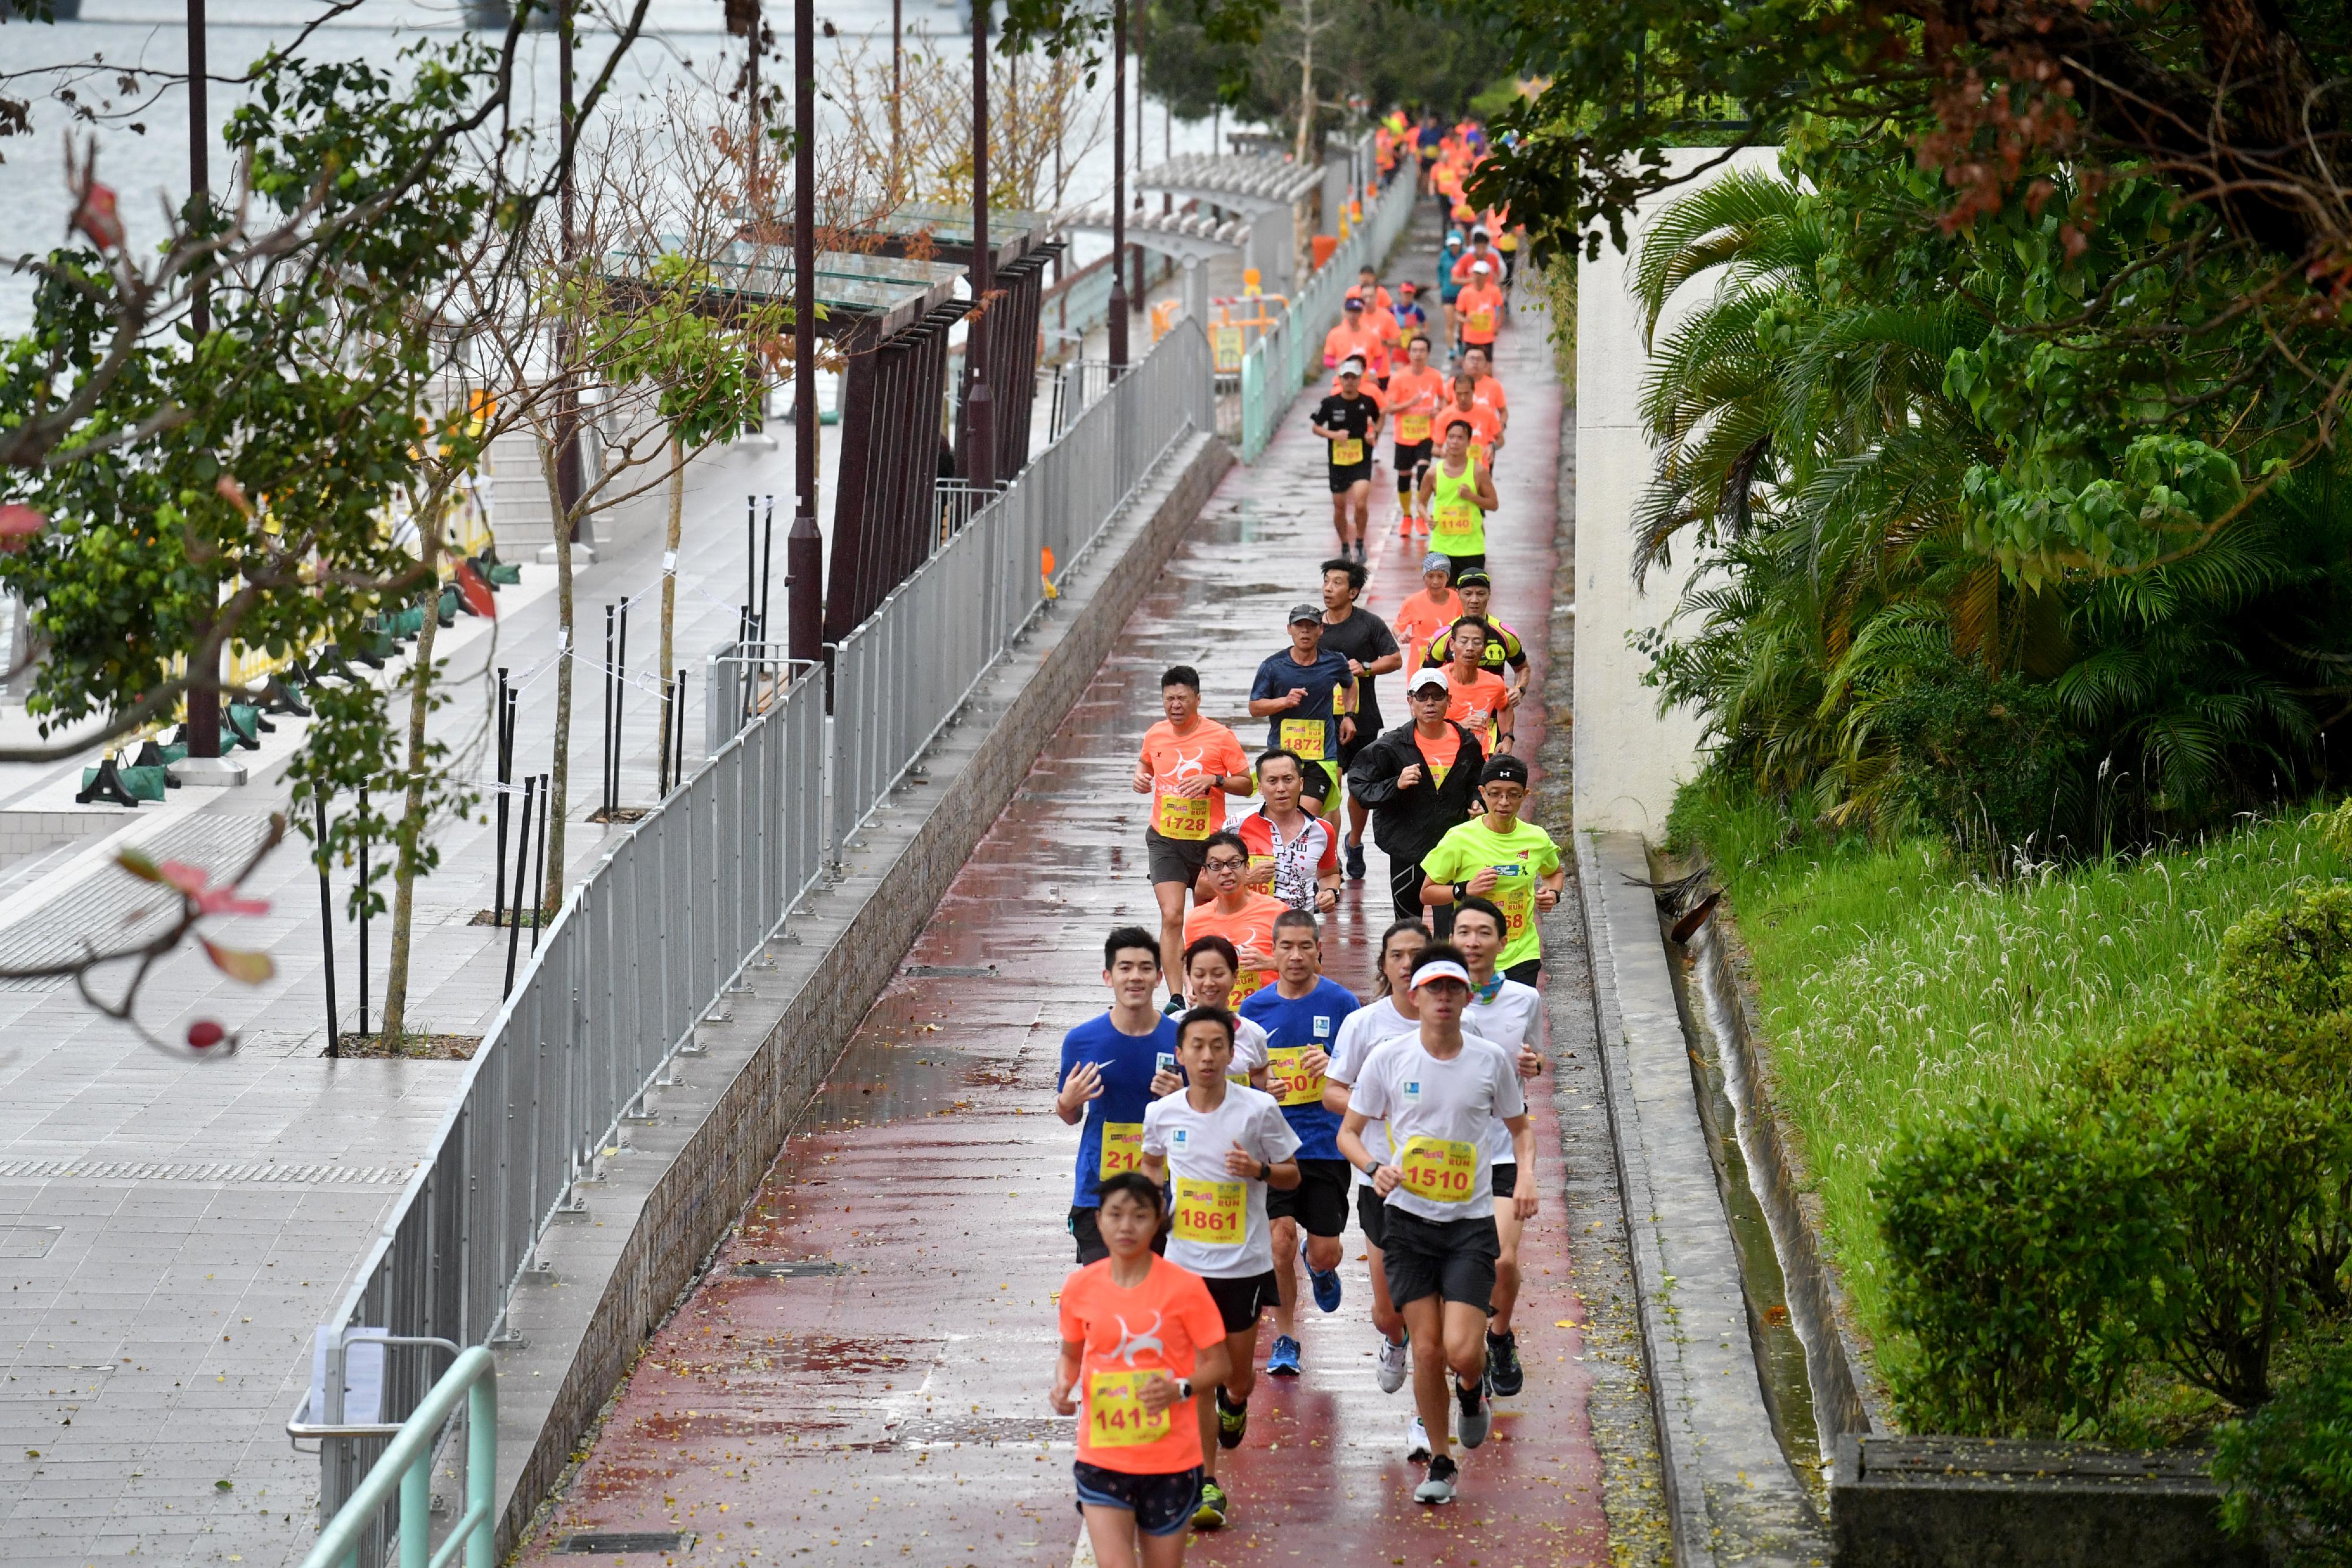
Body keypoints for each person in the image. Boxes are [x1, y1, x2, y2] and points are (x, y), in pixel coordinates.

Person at [1336, 947, 1535, 1506]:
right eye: (1434, 989)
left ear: (1466, 998)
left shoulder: (1490, 1059)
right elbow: (1348, 1132)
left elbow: (1521, 1131)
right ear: (1414, 996)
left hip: (1470, 1225)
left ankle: (1472, 1391)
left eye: (1454, 989)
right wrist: (1374, 1168)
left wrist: (1525, 1179)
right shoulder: (1388, 1059)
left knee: (1461, 1352)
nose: (1443, 998)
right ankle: (1443, 1460)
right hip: (1409, 1222)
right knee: (1425, 1349)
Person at [1139, 1007, 1302, 1531]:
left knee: (1235, 1376)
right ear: (1180, 1053)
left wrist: (1256, 1169)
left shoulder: (1257, 1110)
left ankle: (1239, 1402)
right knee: (1197, 1379)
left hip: (1245, 1266)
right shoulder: (1162, 1113)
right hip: (1186, 1267)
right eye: (1197, 1046)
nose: (1207, 1056)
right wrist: (1154, 1208)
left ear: (1232, 1054)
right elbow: (1150, 1165)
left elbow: (1292, 1175)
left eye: (1217, 1046)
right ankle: (1206, 1479)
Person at [1051, 1171, 1234, 1565]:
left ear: (1158, 1220)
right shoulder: (1080, 1287)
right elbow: (1070, 1354)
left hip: (1171, 1461)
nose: (1126, 1226)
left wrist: (1181, 1388)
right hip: (1103, 1456)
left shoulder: (1185, 1288)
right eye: (1115, 1214)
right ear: (1098, 1219)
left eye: (1139, 1215)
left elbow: (1221, 1364)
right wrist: (1062, 1385)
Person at [1238, 910, 1361, 1378]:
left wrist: (1332, 1065)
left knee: (1323, 1248)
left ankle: (1321, 1265)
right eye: (1285, 946)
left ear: (1318, 952)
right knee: (1280, 1241)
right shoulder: (1254, 1011)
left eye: (1304, 946)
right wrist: (1260, 1090)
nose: (1294, 955)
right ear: (1273, 951)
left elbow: (1364, 1073)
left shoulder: (1343, 1004)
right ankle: (1286, 1335)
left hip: (1325, 1143)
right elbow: (1241, 1082)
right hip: (1274, 1146)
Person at [1320, 921, 1431, 1417]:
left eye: (1417, 955)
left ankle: (1426, 1419)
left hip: (1442, 1184)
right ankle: (1395, 1340)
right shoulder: (1365, 1025)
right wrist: (1376, 1107)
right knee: (1388, 1311)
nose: (1407, 963)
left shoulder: (1458, 1023)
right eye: (1398, 956)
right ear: (1384, 966)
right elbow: (1332, 1092)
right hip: (1379, 1177)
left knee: (1435, 1309)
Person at [1446, 895, 1545, 1398]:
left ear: (1502, 942)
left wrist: (1535, 1065)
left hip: (1505, 1150)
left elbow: (1534, 1057)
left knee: (1503, 1261)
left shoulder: (1524, 999)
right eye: (1464, 932)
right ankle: (1463, 1352)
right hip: (1449, 1159)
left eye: (1484, 932)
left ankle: (1500, 1336)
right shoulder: (1438, 998)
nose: (1473, 942)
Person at [1056, 928, 1185, 1263]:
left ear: (1159, 978)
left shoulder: (1182, 1039)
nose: (1135, 977)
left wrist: (1183, 1096)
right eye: (1125, 968)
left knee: (1156, 1301)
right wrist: (1067, 1102)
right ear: (1108, 976)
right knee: (1104, 1297)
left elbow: (1204, 1112)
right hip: (1098, 1190)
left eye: (1145, 968)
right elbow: (1070, 1115)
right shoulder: (1081, 1041)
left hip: (1164, 1191)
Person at [1134, 665, 1255, 991]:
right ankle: (1176, 995)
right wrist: (1140, 777)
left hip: (1208, 846)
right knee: (1172, 915)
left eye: (1182, 698)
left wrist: (1214, 780)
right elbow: (1146, 762)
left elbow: (1248, 784)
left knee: (1206, 920)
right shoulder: (1155, 734)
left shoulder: (1220, 737)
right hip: (1165, 840)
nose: (1175, 705)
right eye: (1169, 699)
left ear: (1197, 699)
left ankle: (1206, 986)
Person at [1347, 667, 1485, 921]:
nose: (1430, 703)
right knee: (1409, 930)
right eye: (1422, 697)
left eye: (1437, 696)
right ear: (1410, 701)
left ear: (1449, 701)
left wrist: (1477, 803)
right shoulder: (1390, 746)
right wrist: (1395, 784)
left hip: (1450, 853)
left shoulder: (1467, 744)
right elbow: (1360, 787)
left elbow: (1476, 783)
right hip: (1406, 851)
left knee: (1450, 933)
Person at [1419, 755, 1565, 983]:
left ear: (1525, 795)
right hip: (1471, 955)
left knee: (1516, 1019)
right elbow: (1427, 893)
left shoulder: (1536, 838)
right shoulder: (1459, 839)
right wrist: (1465, 889)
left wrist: (1553, 894)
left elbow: (1554, 873)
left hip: (1522, 954)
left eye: (1513, 794)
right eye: (1495, 793)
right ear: (1483, 793)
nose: (1504, 802)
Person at [1315, 556, 1403, 880]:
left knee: (1358, 788)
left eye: (1337, 583)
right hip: (1324, 721)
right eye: (1327, 581)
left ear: (1352, 592)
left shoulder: (1368, 624)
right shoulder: (1314, 627)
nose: (1328, 588)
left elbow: (1394, 659)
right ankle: (1332, 855)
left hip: (1364, 718)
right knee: (1330, 787)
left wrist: (1365, 667)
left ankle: (1354, 842)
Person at [1247, 603, 1355, 813]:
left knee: (1307, 815)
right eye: (1299, 626)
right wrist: (1284, 702)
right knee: (1285, 815)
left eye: (1311, 626)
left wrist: (1349, 716)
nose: (1305, 631)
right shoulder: (1273, 666)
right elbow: (1254, 707)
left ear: (1321, 630)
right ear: (1289, 629)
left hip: (1320, 757)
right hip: (1282, 757)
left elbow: (1349, 685)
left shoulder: (1335, 662)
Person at [1234, 749, 1341, 914]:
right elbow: (1205, 886)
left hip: (1300, 930)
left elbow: (1329, 875)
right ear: (1260, 787)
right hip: (1252, 927)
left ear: (1302, 784)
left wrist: (1330, 893)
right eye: (1272, 781)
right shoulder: (1236, 826)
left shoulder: (1322, 830)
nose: (1281, 788)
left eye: (1288, 779)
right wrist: (1245, 879)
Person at [1185, 831, 1286, 1003]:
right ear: (1205, 873)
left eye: (1234, 863)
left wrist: (1271, 963)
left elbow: (1308, 968)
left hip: (1268, 1010)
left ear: (1247, 868)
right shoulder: (1196, 919)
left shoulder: (1277, 911)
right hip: (1218, 1016)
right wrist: (1190, 989)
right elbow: (1189, 966)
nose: (1226, 872)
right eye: (1216, 866)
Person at [1309, 360, 1382, 563]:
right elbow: (1316, 427)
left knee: (1360, 503)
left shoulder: (1368, 401)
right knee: (1340, 506)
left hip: (1361, 459)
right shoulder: (1330, 403)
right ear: (1340, 380)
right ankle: (1344, 545)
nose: (1350, 382)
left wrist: (1373, 435)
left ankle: (1359, 541)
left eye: (1354, 378)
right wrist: (1334, 435)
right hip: (1339, 461)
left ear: (1360, 380)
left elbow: (1378, 420)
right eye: (1346, 377)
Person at [1182, 934, 1271, 1088]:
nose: (1209, 983)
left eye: (1218, 975)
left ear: (1235, 977)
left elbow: (1259, 1071)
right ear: (1189, 977)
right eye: (1200, 975)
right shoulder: (1172, 1026)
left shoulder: (1253, 1034)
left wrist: (1271, 1084)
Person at [1425, 570, 1529, 698]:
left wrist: (1519, 689)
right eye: (1468, 594)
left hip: (1495, 716)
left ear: (1489, 594)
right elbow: (1424, 679)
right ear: (1458, 594)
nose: (1474, 600)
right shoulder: (1442, 637)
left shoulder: (1506, 635)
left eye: (1481, 594)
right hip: (1455, 716)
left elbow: (1522, 668)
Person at [1383, 336, 1446, 538]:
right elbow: (1389, 408)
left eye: (1422, 350)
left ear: (1428, 354)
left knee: (1422, 473)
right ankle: (1407, 516)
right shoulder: (1399, 378)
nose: (1418, 354)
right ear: (1409, 354)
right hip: (1404, 436)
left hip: (1426, 435)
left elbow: (1443, 398)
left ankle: (1421, 516)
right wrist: (1410, 403)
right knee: (1403, 476)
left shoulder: (1435, 376)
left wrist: (1438, 410)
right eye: (1414, 350)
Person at [1420, 416, 1499, 578]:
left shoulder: (1478, 471)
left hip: (1472, 549)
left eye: (1460, 438)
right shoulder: (1433, 473)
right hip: (1440, 547)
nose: (1455, 442)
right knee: (1441, 599)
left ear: (1469, 442)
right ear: (1445, 440)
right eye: (1451, 437)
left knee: (1470, 600)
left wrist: (1471, 496)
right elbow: (1421, 503)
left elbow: (1493, 504)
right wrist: (1427, 517)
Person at [1439, 618, 1515, 755]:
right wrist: (1459, 727)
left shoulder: (1495, 683)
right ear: (1452, 644)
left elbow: (1505, 707)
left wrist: (1508, 738)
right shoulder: (1436, 682)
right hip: (1442, 761)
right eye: (1463, 641)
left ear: (1485, 649)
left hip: (1479, 762)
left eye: (1477, 642)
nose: (1470, 648)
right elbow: (1420, 724)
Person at [1394, 553, 1464, 676]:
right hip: (1420, 668)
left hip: (1451, 667)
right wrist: (1400, 636)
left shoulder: (1459, 601)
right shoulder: (1412, 602)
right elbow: (1397, 627)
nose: (1435, 582)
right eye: (1430, 576)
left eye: (1441, 576)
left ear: (1448, 578)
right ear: (1424, 577)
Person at [1438, 374, 1504, 474]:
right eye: (1459, 394)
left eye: (1467, 393)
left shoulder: (1487, 413)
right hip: (1454, 472)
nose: (1463, 398)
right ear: (1454, 393)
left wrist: (1492, 447)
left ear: (1474, 392)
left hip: (1480, 472)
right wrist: (1443, 453)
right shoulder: (1445, 415)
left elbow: (1501, 440)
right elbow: (1435, 448)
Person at [1320, 296, 1390, 383]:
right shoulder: (1334, 334)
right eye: (1350, 311)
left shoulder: (1372, 334)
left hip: (1365, 381)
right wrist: (1338, 363)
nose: (1353, 315)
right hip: (1343, 382)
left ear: (1361, 313)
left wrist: (1373, 370)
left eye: (1356, 312)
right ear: (1344, 312)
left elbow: (1378, 357)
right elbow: (1327, 360)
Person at [1455, 260, 1506, 359]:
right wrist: (1465, 320)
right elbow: (1458, 314)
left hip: (1487, 337)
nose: (1478, 277)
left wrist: (1498, 325)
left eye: (1481, 274)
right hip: (1470, 337)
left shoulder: (1494, 291)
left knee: (1487, 367)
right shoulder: (1465, 292)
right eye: (1476, 273)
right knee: (1471, 367)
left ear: (1487, 275)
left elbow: (1502, 307)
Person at [1460, 344, 1510, 439]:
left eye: (1479, 359)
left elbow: (1503, 411)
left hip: (1486, 441)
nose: (1475, 363)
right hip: (1461, 441)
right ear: (1463, 363)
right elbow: (1445, 408)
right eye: (1472, 359)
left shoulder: (1494, 386)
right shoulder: (1453, 384)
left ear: (1486, 365)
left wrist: (1501, 426)